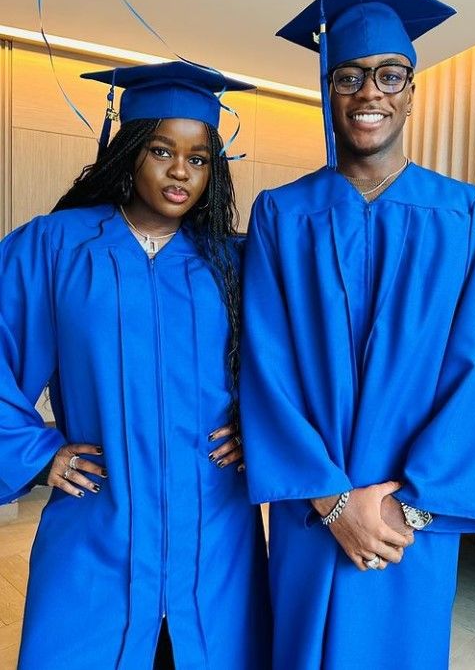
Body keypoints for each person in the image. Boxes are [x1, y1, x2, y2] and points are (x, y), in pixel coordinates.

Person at [240, 0, 475, 668]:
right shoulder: (280, 214)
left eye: (390, 76)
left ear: (412, 92)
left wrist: (406, 507)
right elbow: (265, 364)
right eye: (349, 77)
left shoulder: (467, 214)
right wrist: (331, 499)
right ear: (328, 90)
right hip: (308, 507)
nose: (369, 94)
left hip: (410, 518)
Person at [0, 61, 271, 670]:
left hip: (215, 531)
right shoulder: (56, 246)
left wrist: (264, 429)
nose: (181, 170)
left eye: (199, 158)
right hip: (102, 525)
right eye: (161, 149)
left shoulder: (234, 262)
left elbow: (288, 367)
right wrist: (40, 453)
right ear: (128, 152)